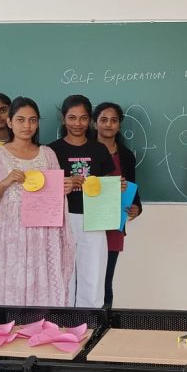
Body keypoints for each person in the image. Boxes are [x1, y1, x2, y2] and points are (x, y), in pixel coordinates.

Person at [0, 97, 75, 306]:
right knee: (8, 287)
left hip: (42, 234)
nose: (27, 126)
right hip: (9, 234)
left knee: (41, 285)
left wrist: (64, 188)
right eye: (21, 120)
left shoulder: (48, 154)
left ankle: (42, 324)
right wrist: (5, 182)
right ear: (10, 122)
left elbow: (54, 195)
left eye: (32, 120)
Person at [48, 95, 116, 308]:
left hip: (94, 219)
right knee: (62, 274)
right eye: (72, 117)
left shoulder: (99, 150)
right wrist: (63, 184)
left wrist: (115, 187)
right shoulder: (51, 151)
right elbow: (44, 189)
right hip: (61, 218)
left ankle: (90, 320)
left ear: (90, 120)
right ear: (63, 118)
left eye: (83, 118)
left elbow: (106, 184)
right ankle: (62, 319)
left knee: (93, 273)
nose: (77, 123)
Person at [93, 102, 143, 308]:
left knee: (105, 280)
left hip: (113, 225)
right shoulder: (86, 150)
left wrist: (137, 207)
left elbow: (132, 189)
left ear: (119, 125)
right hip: (87, 223)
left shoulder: (126, 155)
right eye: (103, 120)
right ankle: (81, 322)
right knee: (84, 278)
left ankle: (104, 323)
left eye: (114, 120)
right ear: (95, 123)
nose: (108, 125)